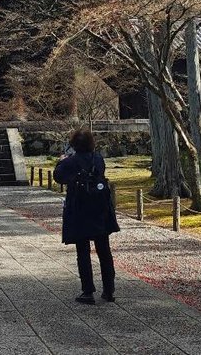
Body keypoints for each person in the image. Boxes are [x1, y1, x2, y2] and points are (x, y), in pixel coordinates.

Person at [53, 127, 119, 305]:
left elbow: (58, 177)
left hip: (80, 208)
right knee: (104, 250)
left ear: (74, 144)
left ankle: (88, 291)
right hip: (100, 208)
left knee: (83, 251)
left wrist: (60, 162)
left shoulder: (71, 162)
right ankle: (109, 290)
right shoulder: (98, 159)